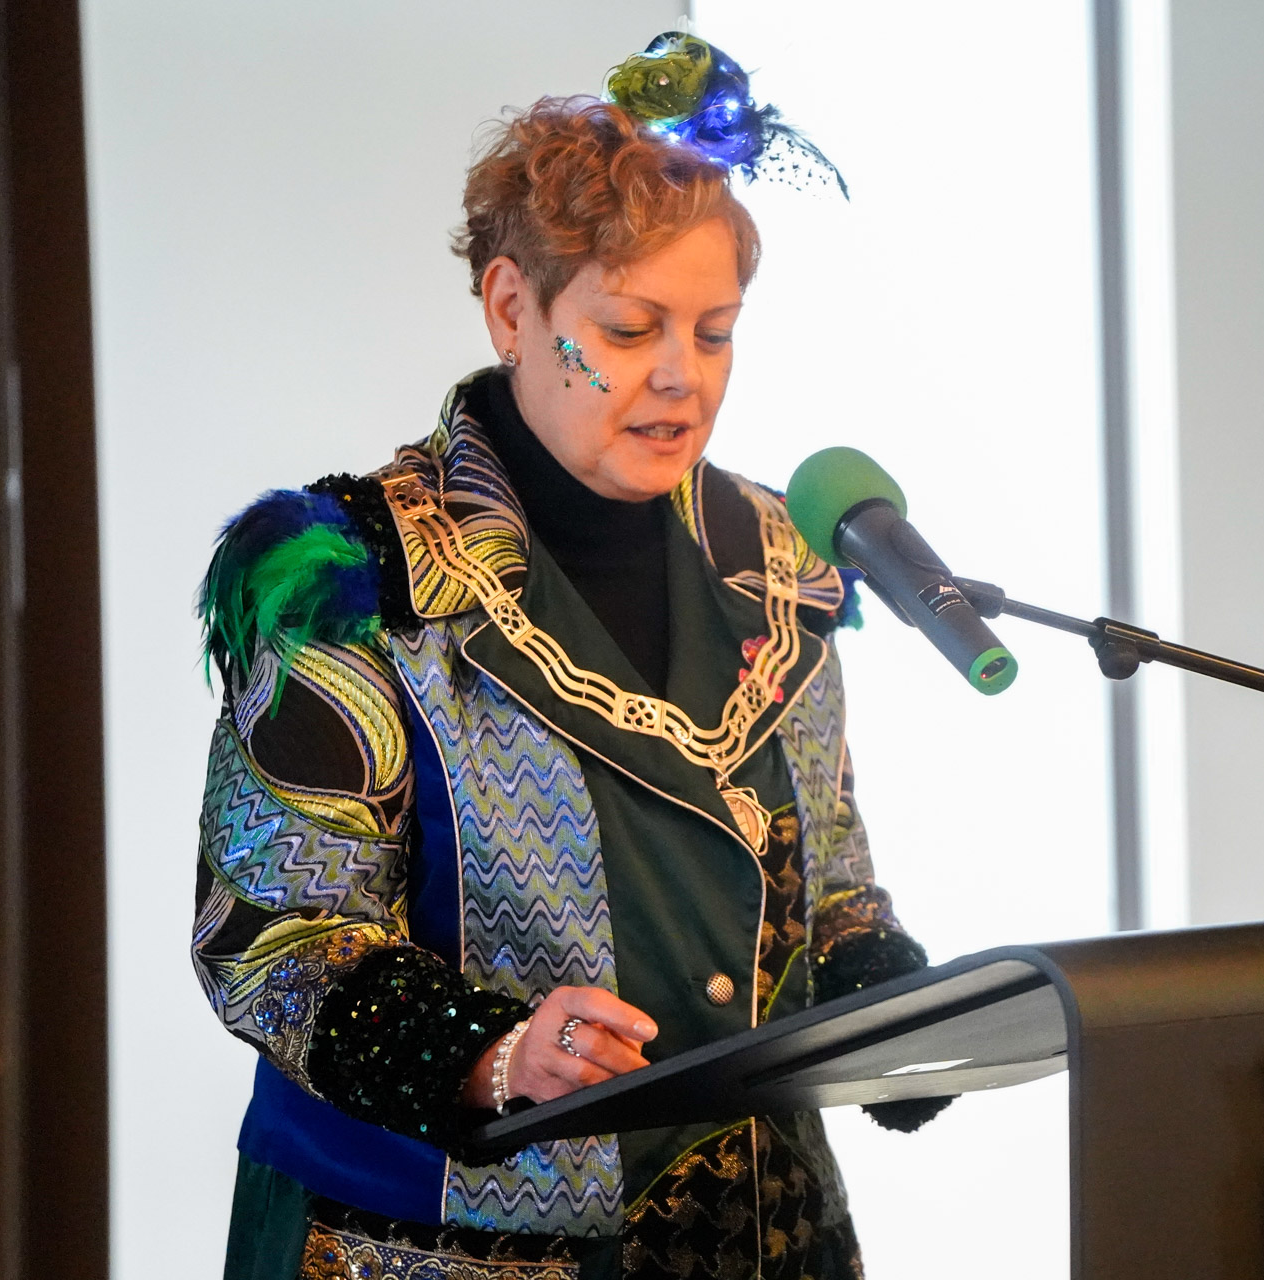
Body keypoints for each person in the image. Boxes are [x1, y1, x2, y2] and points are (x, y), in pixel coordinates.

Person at [194, 34, 940, 1280]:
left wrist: (892, 1000)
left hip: (764, 1240)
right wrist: (492, 1054)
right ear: (511, 307)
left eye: (715, 332)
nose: (681, 377)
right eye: (632, 326)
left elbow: (831, 883)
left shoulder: (781, 558)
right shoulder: (351, 581)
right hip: (439, 1251)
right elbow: (273, 938)